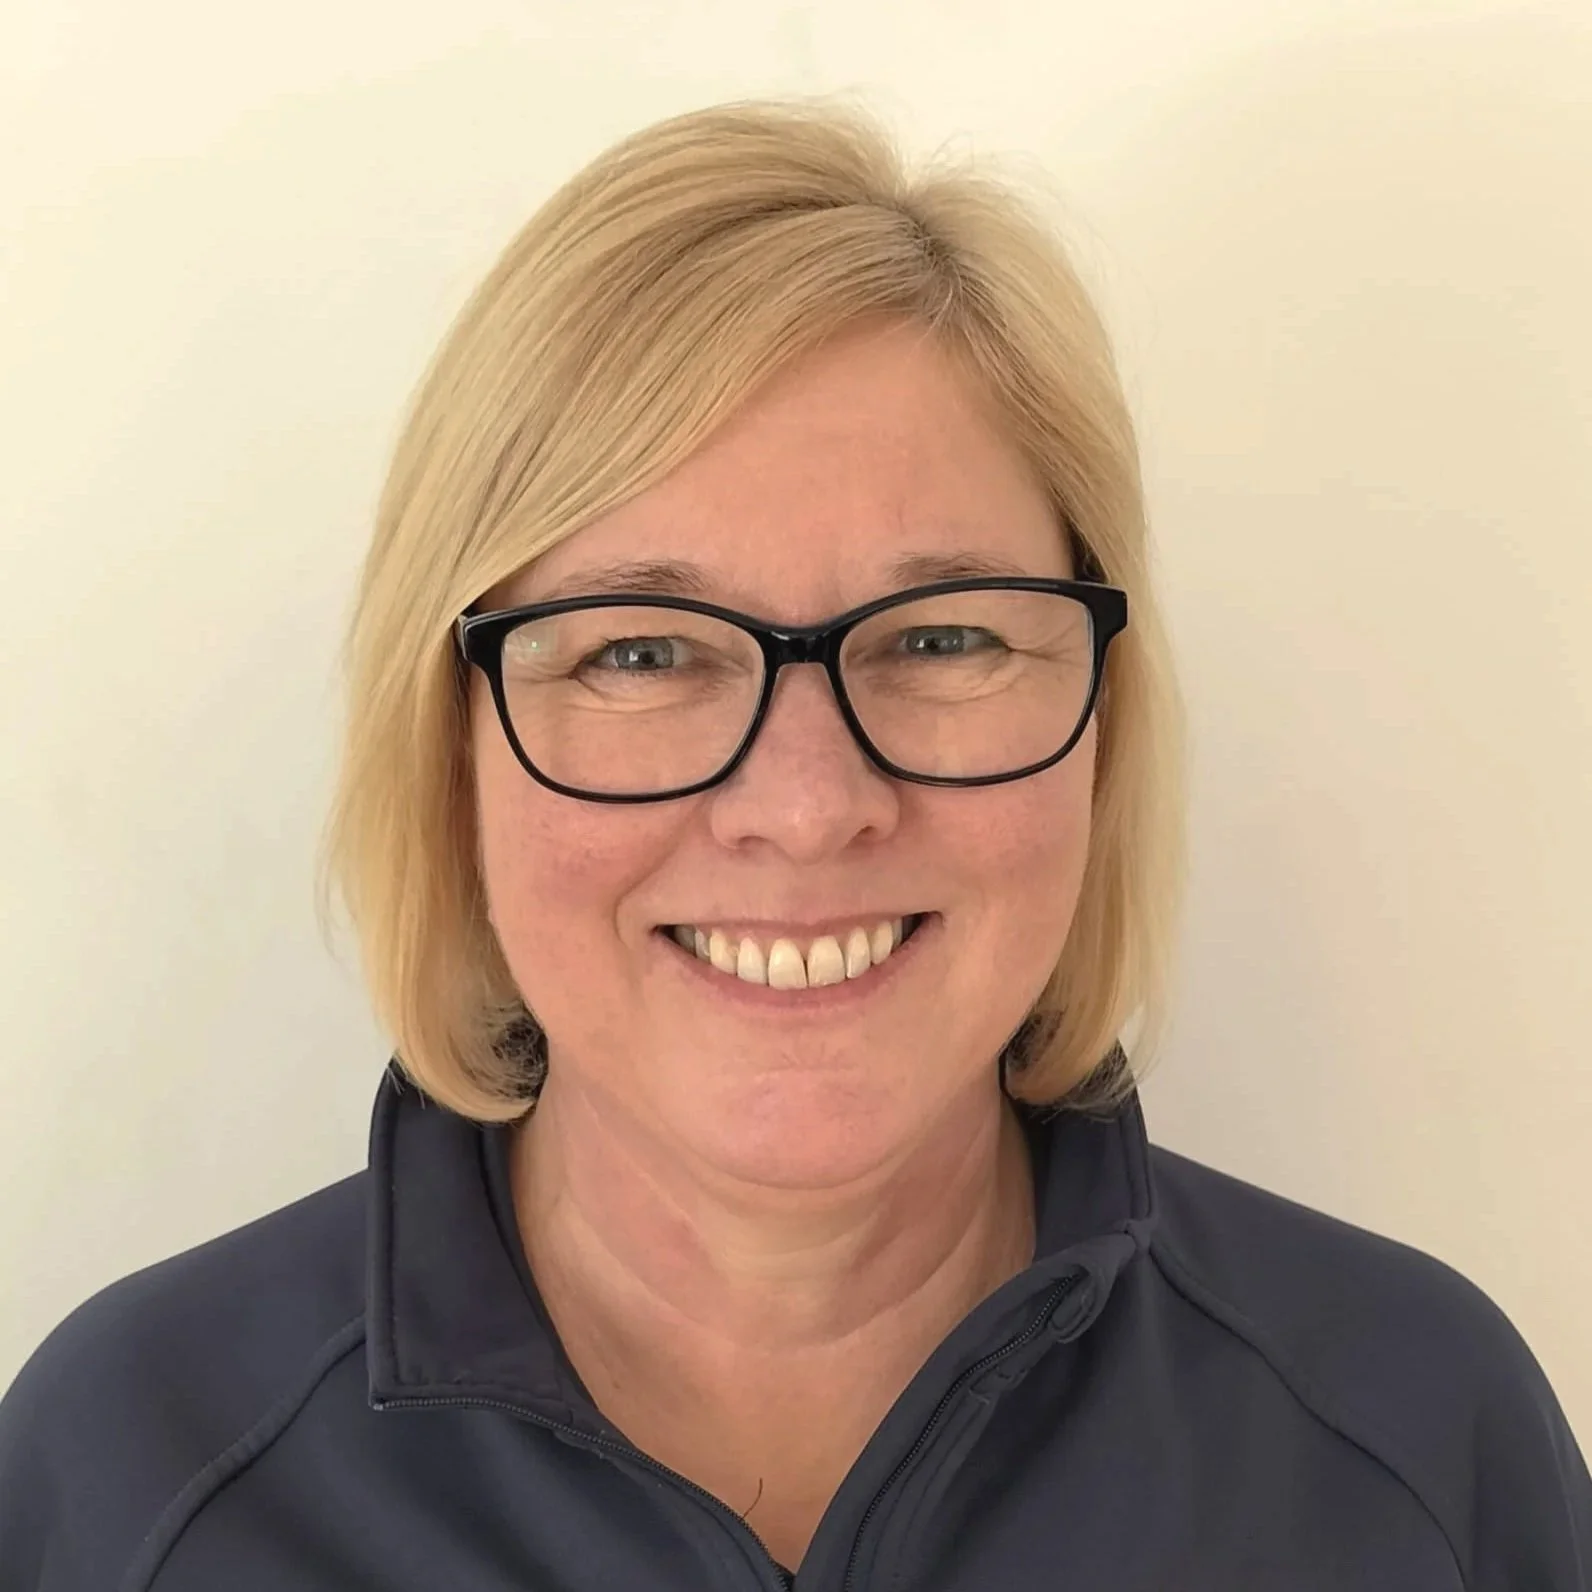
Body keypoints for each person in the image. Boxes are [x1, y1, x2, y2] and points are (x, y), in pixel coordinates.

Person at [1, 95, 1587, 1592]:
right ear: (450, 747)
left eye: (945, 637)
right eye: (640, 653)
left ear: (1106, 722)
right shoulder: (135, 1482)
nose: (810, 805)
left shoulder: (1416, 1449)